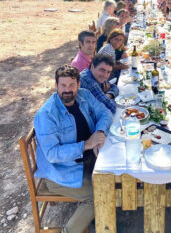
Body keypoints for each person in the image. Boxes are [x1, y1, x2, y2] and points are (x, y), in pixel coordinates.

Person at [34, 65, 112, 233]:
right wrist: (87, 145)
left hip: (87, 159)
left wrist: (99, 132)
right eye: (63, 85)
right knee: (98, 196)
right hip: (60, 172)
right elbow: (52, 154)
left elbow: (105, 113)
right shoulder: (46, 114)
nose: (67, 90)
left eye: (71, 85)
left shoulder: (84, 95)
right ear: (56, 86)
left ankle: (104, 218)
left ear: (78, 84)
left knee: (114, 178)